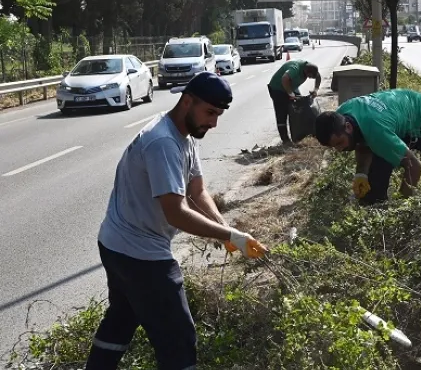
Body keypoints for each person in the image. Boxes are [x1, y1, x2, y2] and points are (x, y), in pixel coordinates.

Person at [85, 72, 268, 370]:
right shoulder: (162, 143)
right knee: (178, 338)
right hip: (139, 254)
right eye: (210, 113)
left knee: (122, 317)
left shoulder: (182, 135)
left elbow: (197, 191)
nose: (214, 122)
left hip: (115, 244)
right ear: (187, 101)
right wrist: (233, 237)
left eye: (219, 114)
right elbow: (177, 212)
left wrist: (227, 231)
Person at [314, 89, 421, 205]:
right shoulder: (342, 114)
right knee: (373, 192)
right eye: (334, 147)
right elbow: (361, 141)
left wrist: (402, 207)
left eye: (339, 143)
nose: (339, 150)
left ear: (348, 126)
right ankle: (376, 208)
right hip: (391, 123)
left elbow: (414, 167)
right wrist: (361, 174)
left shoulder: (378, 134)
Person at [267, 59, 321, 144]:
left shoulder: (311, 68)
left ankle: (303, 134)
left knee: (300, 106)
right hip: (277, 89)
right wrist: (290, 94)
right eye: (309, 76)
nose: (309, 78)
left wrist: (316, 89)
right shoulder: (295, 68)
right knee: (282, 114)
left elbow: (318, 76)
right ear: (306, 71)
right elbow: (285, 79)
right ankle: (285, 140)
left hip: (291, 86)